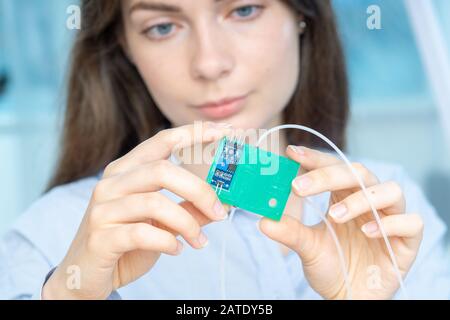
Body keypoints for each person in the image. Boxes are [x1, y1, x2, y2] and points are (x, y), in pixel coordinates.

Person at [1, 0, 449, 300]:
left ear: (301, 15)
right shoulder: (52, 235)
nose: (209, 63)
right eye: (162, 27)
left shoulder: (388, 212)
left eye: (244, 9)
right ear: (125, 46)